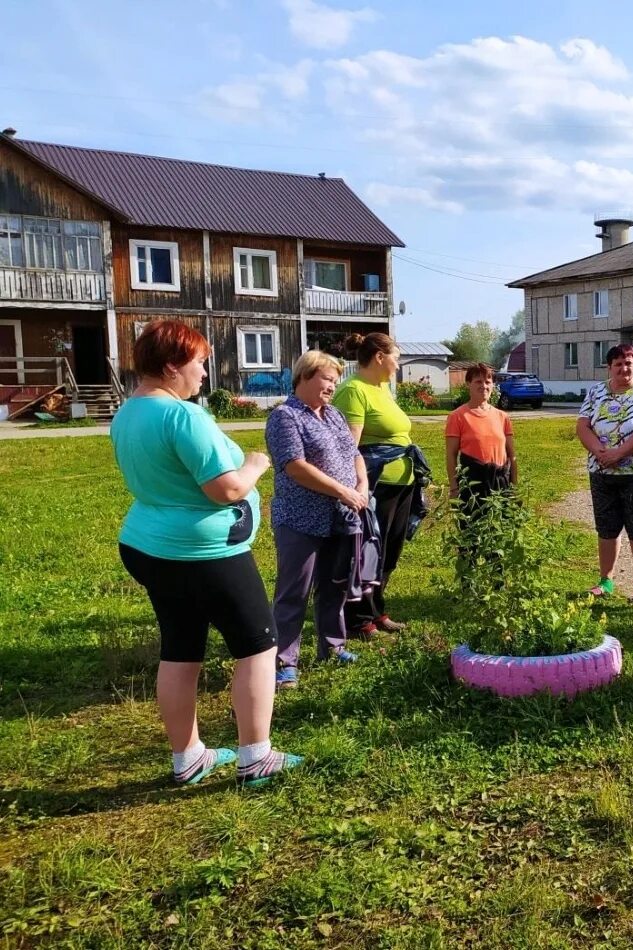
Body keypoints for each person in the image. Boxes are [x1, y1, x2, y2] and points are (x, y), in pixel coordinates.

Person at [110, 319, 301, 787]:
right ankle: (256, 756)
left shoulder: (127, 412)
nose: (203, 375)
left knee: (180, 648)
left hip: (149, 546)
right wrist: (256, 464)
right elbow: (226, 488)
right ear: (173, 366)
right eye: (198, 364)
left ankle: (188, 756)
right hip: (203, 553)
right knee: (258, 645)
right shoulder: (183, 416)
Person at [266, 350, 370, 689]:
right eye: (328, 379)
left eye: (336, 380)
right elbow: (295, 467)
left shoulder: (334, 414)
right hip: (300, 518)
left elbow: (354, 453)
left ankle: (332, 646)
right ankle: (284, 662)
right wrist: (343, 491)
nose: (333, 386)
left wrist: (362, 485)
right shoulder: (285, 417)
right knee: (294, 591)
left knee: (334, 586)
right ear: (306, 376)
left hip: (341, 516)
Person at [332, 332, 425, 639]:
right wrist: (353, 489)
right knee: (370, 550)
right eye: (396, 358)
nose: (398, 365)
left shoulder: (381, 387)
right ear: (379, 357)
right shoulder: (353, 391)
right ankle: (358, 620)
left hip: (401, 482)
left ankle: (377, 610)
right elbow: (348, 447)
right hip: (375, 486)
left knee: (390, 552)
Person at [576, 343, 633, 603]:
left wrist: (619, 453)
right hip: (601, 471)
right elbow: (582, 426)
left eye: (628, 363)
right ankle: (606, 581)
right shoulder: (596, 392)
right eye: (618, 364)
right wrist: (601, 452)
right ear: (609, 367)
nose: (624, 368)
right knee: (606, 528)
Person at [445, 362, 517, 576]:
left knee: (498, 532)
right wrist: (454, 487)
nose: (484, 386)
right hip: (473, 482)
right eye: (478, 381)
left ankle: (497, 580)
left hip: (499, 482)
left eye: (488, 381)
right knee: (470, 534)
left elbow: (512, 454)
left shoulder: (502, 417)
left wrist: (514, 485)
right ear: (468, 384)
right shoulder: (458, 416)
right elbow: (451, 455)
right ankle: (469, 582)